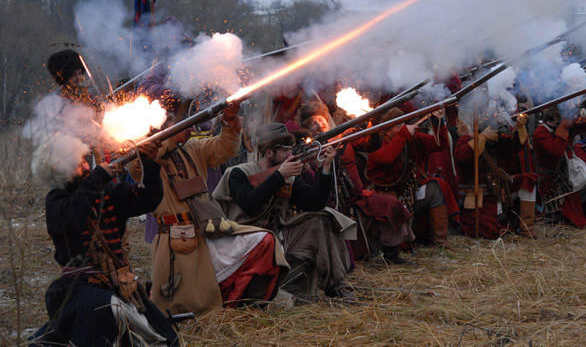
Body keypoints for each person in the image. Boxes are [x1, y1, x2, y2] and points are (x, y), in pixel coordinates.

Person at [127, 101, 288, 314]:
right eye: (181, 126)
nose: (190, 130)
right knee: (181, 301)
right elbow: (140, 166)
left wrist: (230, 123)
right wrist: (168, 138)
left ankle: (240, 305)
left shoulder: (192, 149)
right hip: (175, 237)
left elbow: (224, 148)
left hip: (208, 228)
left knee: (265, 241)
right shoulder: (145, 158)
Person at [30, 138, 178, 346]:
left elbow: (148, 199)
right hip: (80, 290)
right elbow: (74, 216)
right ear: (61, 170)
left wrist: (149, 162)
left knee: (167, 338)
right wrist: (98, 178)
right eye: (78, 163)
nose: (86, 166)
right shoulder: (57, 200)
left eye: (84, 160)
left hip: (118, 284)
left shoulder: (106, 192)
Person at [214, 123, 355, 299]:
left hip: (279, 236)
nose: (290, 155)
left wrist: (326, 169)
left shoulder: (288, 176)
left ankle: (334, 286)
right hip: (245, 239)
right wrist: (279, 176)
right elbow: (250, 205)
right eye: (284, 150)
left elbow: (316, 203)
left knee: (323, 218)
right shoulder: (238, 173)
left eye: (291, 149)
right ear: (269, 152)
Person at [297, 101, 416, 265]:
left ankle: (392, 254)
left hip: (357, 194)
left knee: (391, 205)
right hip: (334, 200)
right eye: (312, 123)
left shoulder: (346, 137)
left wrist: (373, 123)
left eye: (320, 119)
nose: (318, 125)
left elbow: (371, 145)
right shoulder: (310, 150)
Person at [365, 108, 459, 247]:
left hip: (411, 195)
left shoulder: (409, 138)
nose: (403, 128)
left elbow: (440, 144)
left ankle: (440, 242)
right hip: (388, 199)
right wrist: (403, 134)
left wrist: (437, 121)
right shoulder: (376, 145)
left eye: (403, 124)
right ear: (388, 130)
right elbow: (387, 158)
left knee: (435, 186)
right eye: (398, 126)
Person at [454, 114, 538, 238]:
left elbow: (519, 142)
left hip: (497, 192)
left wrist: (520, 126)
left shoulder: (496, 142)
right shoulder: (466, 140)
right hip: (478, 196)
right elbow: (463, 157)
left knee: (528, 180)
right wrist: (482, 137)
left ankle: (527, 228)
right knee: (490, 231)